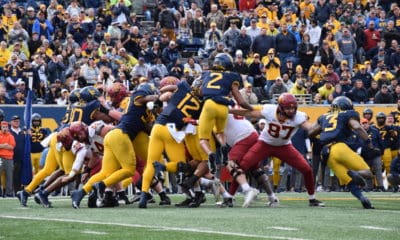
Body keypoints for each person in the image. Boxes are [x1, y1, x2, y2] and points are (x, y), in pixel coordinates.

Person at [71, 83, 159, 208]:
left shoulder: (138, 109)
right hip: (118, 135)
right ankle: (101, 186)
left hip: (109, 137)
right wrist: (157, 98)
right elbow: (141, 103)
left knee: (106, 172)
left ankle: (80, 193)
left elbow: (147, 127)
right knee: (129, 170)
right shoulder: (135, 99)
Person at [230, 93, 324, 207]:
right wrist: (230, 111)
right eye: (288, 108)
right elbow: (250, 112)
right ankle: (229, 197)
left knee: (306, 169)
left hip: (284, 146)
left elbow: (309, 127)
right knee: (242, 166)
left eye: (293, 107)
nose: (291, 110)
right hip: (264, 144)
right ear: (280, 107)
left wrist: (321, 127)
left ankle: (312, 199)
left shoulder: (299, 116)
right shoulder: (270, 110)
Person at [309, 96, 374, 209]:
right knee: (368, 173)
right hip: (339, 147)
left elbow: (311, 132)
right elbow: (357, 127)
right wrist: (368, 141)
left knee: (349, 182)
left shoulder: (323, 116)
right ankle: (356, 173)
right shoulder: (347, 114)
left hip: (325, 153)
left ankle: (362, 198)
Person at [197, 53, 253, 177]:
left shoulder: (206, 73)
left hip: (209, 104)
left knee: (203, 139)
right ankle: (223, 147)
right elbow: (240, 99)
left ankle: (210, 154)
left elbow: (198, 91)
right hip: (223, 106)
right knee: (220, 132)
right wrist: (250, 108)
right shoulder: (232, 76)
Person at [0, 121, 16, 197]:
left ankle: (9, 193)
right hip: (0, 158)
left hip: (9, 158)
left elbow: (12, 147)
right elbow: (8, 146)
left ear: (8, 128)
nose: (5, 128)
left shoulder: (11, 136)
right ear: (1, 127)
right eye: (3, 127)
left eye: (6, 127)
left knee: (9, 176)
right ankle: (0, 193)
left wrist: (2, 146)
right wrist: (5, 145)